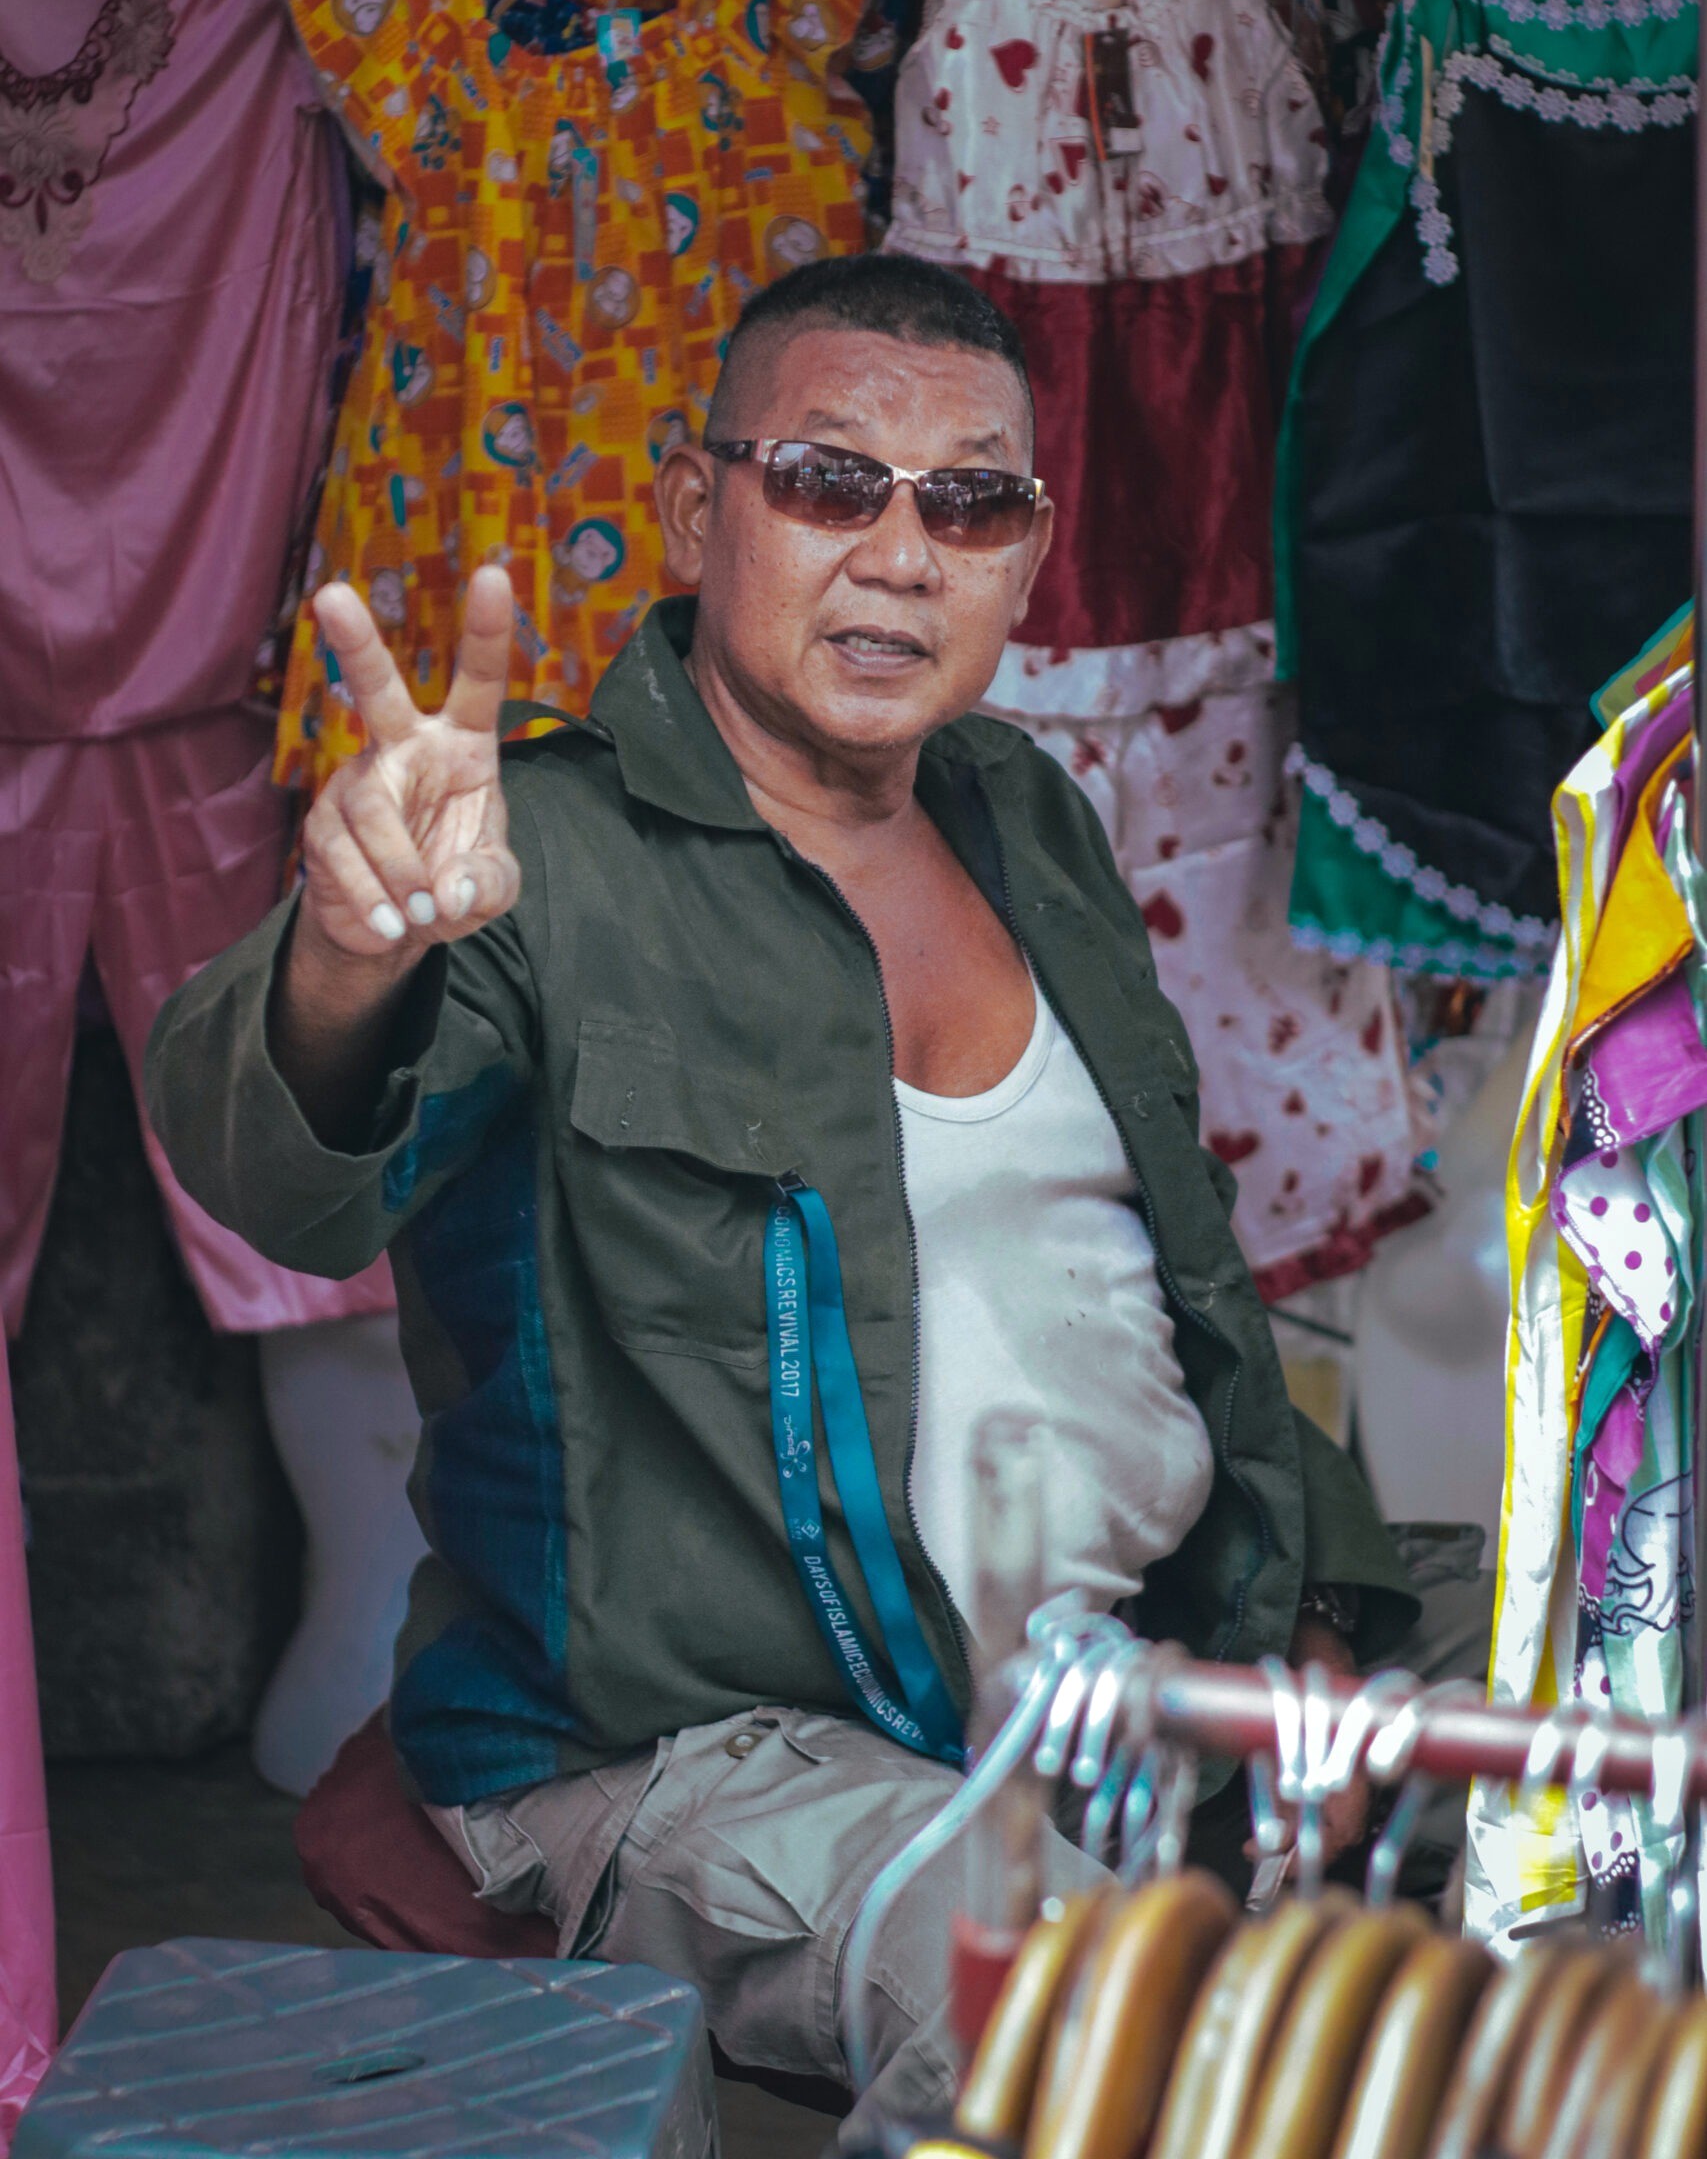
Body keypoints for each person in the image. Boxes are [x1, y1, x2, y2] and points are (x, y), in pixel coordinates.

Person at [148, 255, 1422, 2137]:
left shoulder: (1028, 817)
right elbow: (275, 1177)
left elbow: (1176, 1286)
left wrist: (1312, 1601)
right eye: (831, 483)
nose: (901, 556)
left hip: (1130, 1682)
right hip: (698, 1743)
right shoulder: (534, 853)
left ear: (1025, 557)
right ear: (696, 510)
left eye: (968, 502)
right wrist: (349, 954)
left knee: (1603, 1830)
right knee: (1092, 2031)